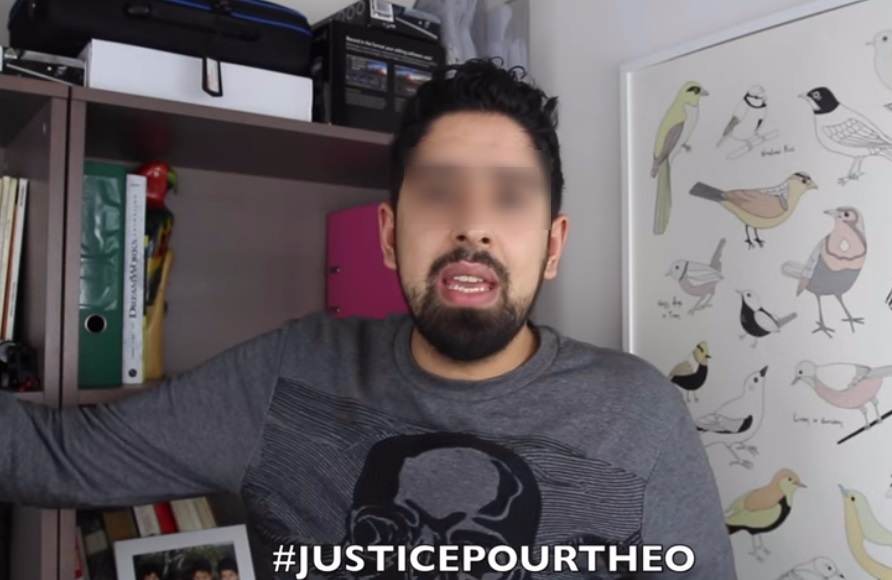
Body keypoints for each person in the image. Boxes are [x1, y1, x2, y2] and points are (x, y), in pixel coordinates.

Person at [0, 58, 735, 579]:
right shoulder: (288, 376)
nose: (472, 226)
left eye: (509, 198)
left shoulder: (638, 417)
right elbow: (53, 458)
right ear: (388, 235)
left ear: (553, 246)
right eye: (439, 192)